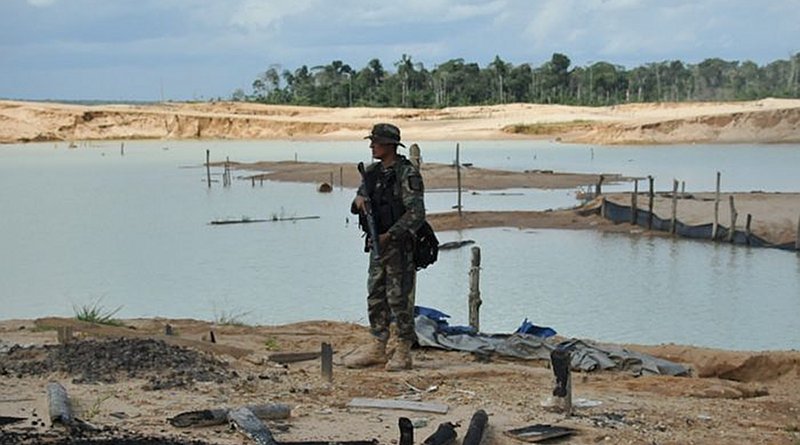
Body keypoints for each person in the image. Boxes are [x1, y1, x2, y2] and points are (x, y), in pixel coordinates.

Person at [346, 123, 426, 371]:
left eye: (376, 142)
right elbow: (358, 200)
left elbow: (416, 214)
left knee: (399, 298)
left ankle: (403, 349)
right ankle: (378, 345)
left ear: (389, 146)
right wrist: (359, 201)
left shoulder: (406, 174)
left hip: (399, 247)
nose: (372, 146)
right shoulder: (372, 173)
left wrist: (390, 235)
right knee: (376, 295)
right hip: (377, 244)